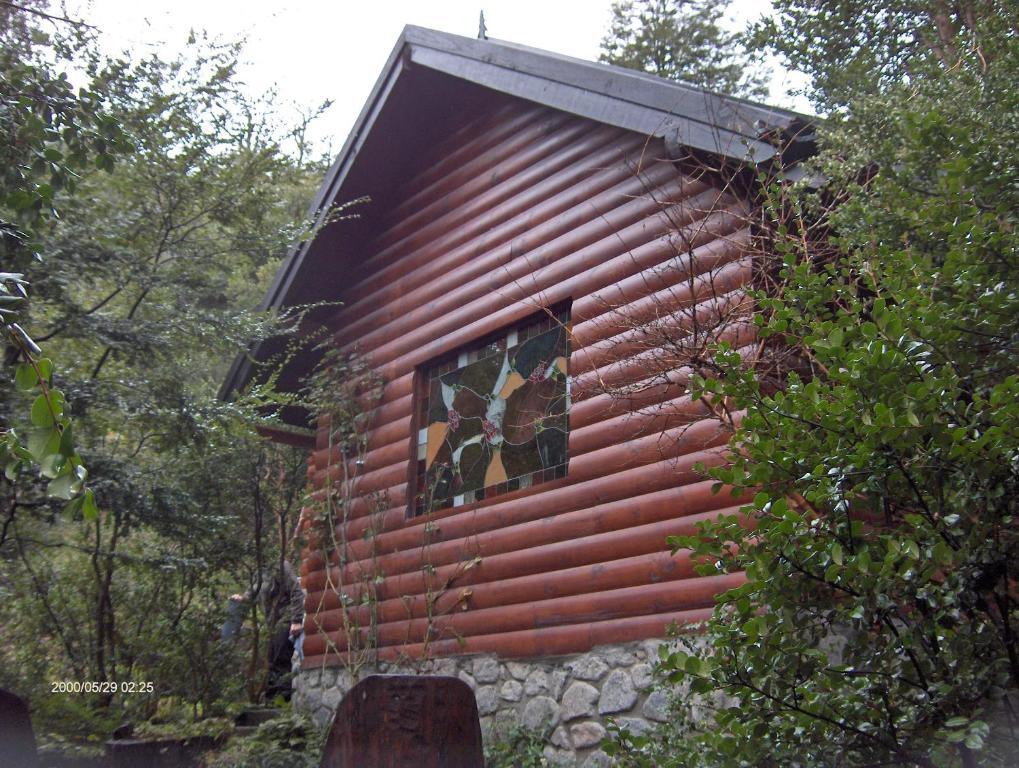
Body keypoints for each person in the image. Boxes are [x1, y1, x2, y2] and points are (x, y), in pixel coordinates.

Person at [229, 560, 305, 702]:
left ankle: (283, 699)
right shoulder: (259, 571)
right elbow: (254, 591)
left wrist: (296, 620)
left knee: (280, 657)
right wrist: (242, 598)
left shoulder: (281, 566)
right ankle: (273, 699)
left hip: (285, 617)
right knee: (271, 661)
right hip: (272, 622)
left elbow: (296, 591)